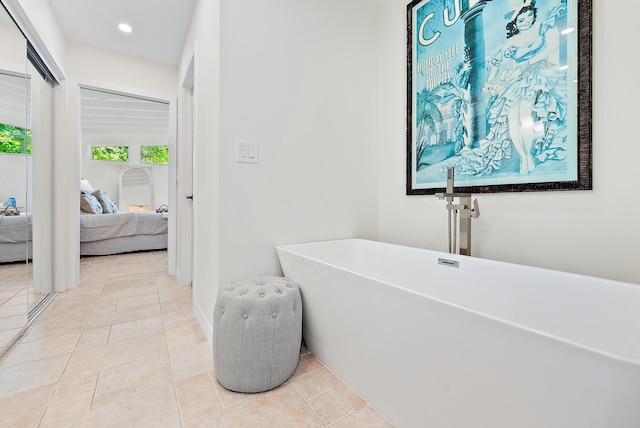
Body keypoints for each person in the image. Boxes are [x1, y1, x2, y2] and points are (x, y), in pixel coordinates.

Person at [454, 0, 567, 176]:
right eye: (521, 20)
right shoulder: (512, 41)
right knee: (513, 119)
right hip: (515, 81)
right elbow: (497, 62)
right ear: (515, 24)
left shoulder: (541, 29)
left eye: (529, 16)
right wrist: (490, 82)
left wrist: (529, 63)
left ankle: (528, 155)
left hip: (532, 77)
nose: (526, 21)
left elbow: (551, 48)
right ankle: (523, 156)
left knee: (525, 117)